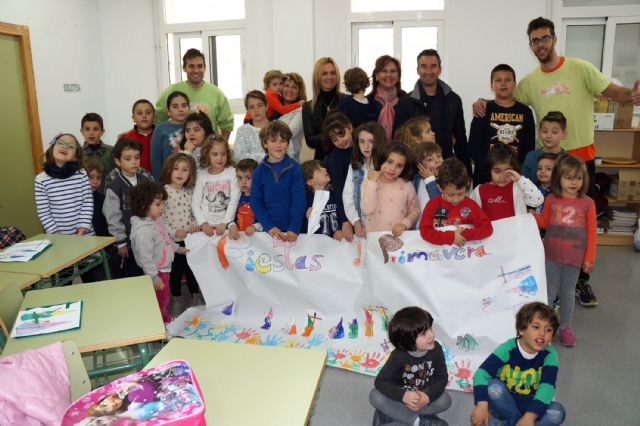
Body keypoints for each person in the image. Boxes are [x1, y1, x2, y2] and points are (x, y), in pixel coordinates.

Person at [473, 17, 640, 307]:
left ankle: (581, 283)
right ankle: (545, 275)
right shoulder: (529, 82)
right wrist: (483, 103)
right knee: (549, 221)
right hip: (547, 163)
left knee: (579, 223)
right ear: (531, 45)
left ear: (554, 39)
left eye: (544, 38)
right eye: (535, 40)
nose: (540, 44)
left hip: (580, 158)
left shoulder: (581, 68)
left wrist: (633, 96)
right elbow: (508, 101)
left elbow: (615, 93)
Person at [533, 154, 596, 347]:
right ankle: (545, 329)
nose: (574, 182)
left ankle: (566, 328)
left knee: (567, 294)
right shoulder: (551, 199)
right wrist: (531, 216)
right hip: (551, 255)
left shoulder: (588, 203)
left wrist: (589, 258)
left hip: (574, 258)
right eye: (569, 177)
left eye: (578, 178)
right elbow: (544, 222)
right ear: (558, 177)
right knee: (550, 294)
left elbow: (592, 233)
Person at [471, 302, 565, 426]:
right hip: (505, 403)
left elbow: (547, 388)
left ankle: (507, 424)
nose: (542, 333)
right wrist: (482, 404)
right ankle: (516, 421)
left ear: (552, 336)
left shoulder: (550, 355)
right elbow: (482, 373)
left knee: (558, 412)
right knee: (493, 386)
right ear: (521, 329)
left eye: (548, 330)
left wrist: (530, 416)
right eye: (536, 327)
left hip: (532, 405)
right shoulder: (508, 348)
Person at [369, 306, 451, 426]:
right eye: (424, 333)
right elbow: (381, 382)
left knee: (445, 400)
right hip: (400, 398)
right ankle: (418, 421)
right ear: (408, 340)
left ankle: (391, 414)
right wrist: (403, 396)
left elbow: (441, 377)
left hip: (423, 397)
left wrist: (427, 397)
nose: (432, 334)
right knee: (375, 396)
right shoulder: (398, 356)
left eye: (430, 328)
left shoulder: (436, 349)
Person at [393, 49, 470, 173]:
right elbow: (399, 141)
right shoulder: (405, 102)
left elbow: (460, 139)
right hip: (415, 171)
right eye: (424, 66)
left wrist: (466, 171)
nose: (428, 71)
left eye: (433, 66)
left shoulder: (453, 100)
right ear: (418, 70)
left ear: (440, 69)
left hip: (445, 170)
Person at [468, 64, 535, 187]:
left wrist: (513, 170)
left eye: (508, 80)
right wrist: (492, 169)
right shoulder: (483, 109)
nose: (503, 84)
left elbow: (529, 148)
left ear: (514, 84)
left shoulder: (525, 112)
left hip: (514, 178)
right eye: (498, 80)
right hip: (486, 178)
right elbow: (473, 146)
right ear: (492, 85)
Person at [131, 181, 185, 324]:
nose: (162, 208)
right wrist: (154, 277)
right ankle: (163, 323)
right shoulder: (144, 231)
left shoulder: (154, 221)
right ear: (144, 206)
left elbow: (165, 240)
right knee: (162, 299)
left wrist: (178, 249)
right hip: (157, 272)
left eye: (162, 203)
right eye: (158, 204)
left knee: (164, 297)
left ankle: (163, 318)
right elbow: (145, 258)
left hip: (162, 269)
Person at [155, 48, 234, 141]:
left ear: (205, 68)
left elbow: (227, 124)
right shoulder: (171, 91)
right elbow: (158, 118)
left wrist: (220, 147)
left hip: (208, 150)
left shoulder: (216, 93)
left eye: (200, 66)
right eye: (191, 66)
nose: (196, 70)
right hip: (179, 150)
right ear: (184, 68)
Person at [159, 153, 203, 315]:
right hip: (171, 243)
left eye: (185, 170)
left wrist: (195, 225)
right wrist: (173, 231)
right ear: (169, 170)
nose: (180, 173)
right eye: (176, 169)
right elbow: (160, 221)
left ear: (190, 174)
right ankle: (176, 299)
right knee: (175, 274)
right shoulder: (164, 192)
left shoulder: (190, 193)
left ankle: (195, 297)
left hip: (189, 242)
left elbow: (194, 215)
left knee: (192, 271)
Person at [103, 138, 152, 278]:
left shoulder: (145, 180)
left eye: (137, 157)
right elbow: (112, 218)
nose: (134, 162)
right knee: (133, 273)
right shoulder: (115, 187)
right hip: (129, 243)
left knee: (149, 271)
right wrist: (120, 242)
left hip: (147, 237)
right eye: (128, 158)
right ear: (118, 162)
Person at [251, 121, 306, 242]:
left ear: (287, 144)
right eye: (273, 140)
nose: (278, 145)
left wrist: (294, 227)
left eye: (282, 141)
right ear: (265, 143)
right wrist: (268, 226)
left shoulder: (295, 168)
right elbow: (255, 202)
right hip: (267, 232)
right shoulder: (258, 172)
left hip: (293, 231)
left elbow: (299, 200)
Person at [419, 158, 492, 246]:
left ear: (467, 186)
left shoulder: (471, 205)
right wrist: (451, 237)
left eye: (460, 194)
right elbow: (425, 231)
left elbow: (487, 228)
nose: (456, 199)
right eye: (450, 195)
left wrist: (464, 235)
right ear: (440, 188)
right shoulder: (433, 205)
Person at [35, 133, 93, 235]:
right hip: (59, 237)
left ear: (75, 156)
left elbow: (87, 202)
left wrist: (83, 227)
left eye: (70, 146)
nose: (64, 147)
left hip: (84, 234)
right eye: (60, 143)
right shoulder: (41, 180)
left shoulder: (81, 174)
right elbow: (43, 212)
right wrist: (55, 233)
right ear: (52, 148)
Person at [470, 144, 543, 221]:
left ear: (514, 170)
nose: (502, 176)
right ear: (489, 170)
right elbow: (470, 215)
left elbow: (537, 201)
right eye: (497, 171)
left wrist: (520, 179)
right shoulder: (479, 190)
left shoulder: (519, 187)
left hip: (515, 232)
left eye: (507, 171)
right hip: (490, 233)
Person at [361, 143, 420, 237]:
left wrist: (404, 224)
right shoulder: (368, 183)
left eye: (399, 165)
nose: (393, 168)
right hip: (373, 237)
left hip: (398, 238)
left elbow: (415, 211)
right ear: (381, 160)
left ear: (404, 168)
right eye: (389, 162)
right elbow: (367, 210)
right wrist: (372, 182)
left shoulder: (407, 186)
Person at [342, 122, 386, 239]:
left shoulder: (386, 167)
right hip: (361, 225)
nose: (366, 146)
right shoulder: (354, 167)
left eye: (371, 142)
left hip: (384, 226)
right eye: (362, 141)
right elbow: (347, 197)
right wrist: (356, 221)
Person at [191, 136, 241, 237]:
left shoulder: (232, 172)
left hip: (227, 224)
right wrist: (203, 223)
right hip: (205, 226)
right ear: (207, 155)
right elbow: (195, 203)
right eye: (215, 154)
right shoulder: (201, 175)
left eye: (223, 154)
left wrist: (225, 222)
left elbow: (234, 199)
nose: (220, 158)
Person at [302, 57, 344, 160]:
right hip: (321, 162)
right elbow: (310, 140)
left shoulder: (347, 101)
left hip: (346, 159)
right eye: (324, 73)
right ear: (317, 77)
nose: (329, 77)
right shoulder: (308, 107)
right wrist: (335, 135)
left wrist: (324, 137)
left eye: (333, 73)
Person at [322, 111, 354, 241]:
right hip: (349, 209)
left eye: (342, 134)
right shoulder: (334, 159)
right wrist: (345, 221)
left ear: (350, 127)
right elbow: (338, 190)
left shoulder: (364, 145)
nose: (340, 141)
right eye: (334, 139)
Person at [150, 91, 189, 180]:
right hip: (168, 180)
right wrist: (160, 184)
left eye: (184, 105)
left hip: (191, 180)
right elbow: (155, 160)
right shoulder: (160, 129)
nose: (180, 109)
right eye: (175, 106)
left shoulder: (194, 126)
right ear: (168, 111)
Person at [522, 112, 566, 184]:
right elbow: (524, 184)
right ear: (539, 133)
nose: (548, 136)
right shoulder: (531, 157)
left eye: (554, 132)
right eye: (545, 131)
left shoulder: (567, 159)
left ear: (564, 134)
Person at [302, 160, 342, 239]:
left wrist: (341, 229)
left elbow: (343, 215)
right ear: (311, 182)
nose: (324, 169)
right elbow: (303, 230)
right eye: (319, 169)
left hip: (338, 242)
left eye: (323, 167)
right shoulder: (306, 200)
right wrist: (307, 218)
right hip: (318, 245)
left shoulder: (336, 193)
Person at [368, 55, 404, 139]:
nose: (389, 75)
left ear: (398, 76)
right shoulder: (368, 102)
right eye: (384, 71)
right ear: (376, 76)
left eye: (393, 71)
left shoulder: (407, 101)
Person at [229, 158, 261, 240]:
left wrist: (254, 227)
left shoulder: (261, 198)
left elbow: (266, 221)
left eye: (248, 178)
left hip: (258, 241)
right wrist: (232, 226)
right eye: (240, 178)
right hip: (239, 240)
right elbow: (231, 217)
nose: (243, 182)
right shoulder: (236, 198)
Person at [234, 90, 270, 163]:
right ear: (247, 110)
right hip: (250, 173)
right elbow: (239, 157)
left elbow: (289, 153)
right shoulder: (242, 131)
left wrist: (250, 156)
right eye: (251, 107)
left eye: (260, 105)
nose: (256, 110)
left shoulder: (278, 128)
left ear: (266, 107)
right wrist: (270, 156)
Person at [120, 99, 155, 173]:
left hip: (159, 180)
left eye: (148, 113)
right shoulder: (125, 138)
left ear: (154, 116)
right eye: (139, 113)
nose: (144, 116)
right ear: (133, 118)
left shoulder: (160, 135)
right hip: (135, 180)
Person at [278, 72, 307, 161]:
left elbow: (288, 133)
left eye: (294, 87)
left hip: (290, 162)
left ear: (299, 92)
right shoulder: (273, 109)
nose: (290, 89)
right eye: (286, 86)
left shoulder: (301, 110)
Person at [413, 142, 444, 225]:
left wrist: (430, 181)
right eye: (430, 159)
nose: (437, 161)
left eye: (439, 156)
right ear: (420, 166)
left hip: (437, 230)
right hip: (418, 230)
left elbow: (440, 207)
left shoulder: (447, 181)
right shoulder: (416, 182)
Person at [81, 112, 114, 179]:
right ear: (82, 132)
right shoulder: (77, 154)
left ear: (102, 131)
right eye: (87, 129)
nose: (91, 133)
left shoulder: (112, 151)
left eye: (95, 129)